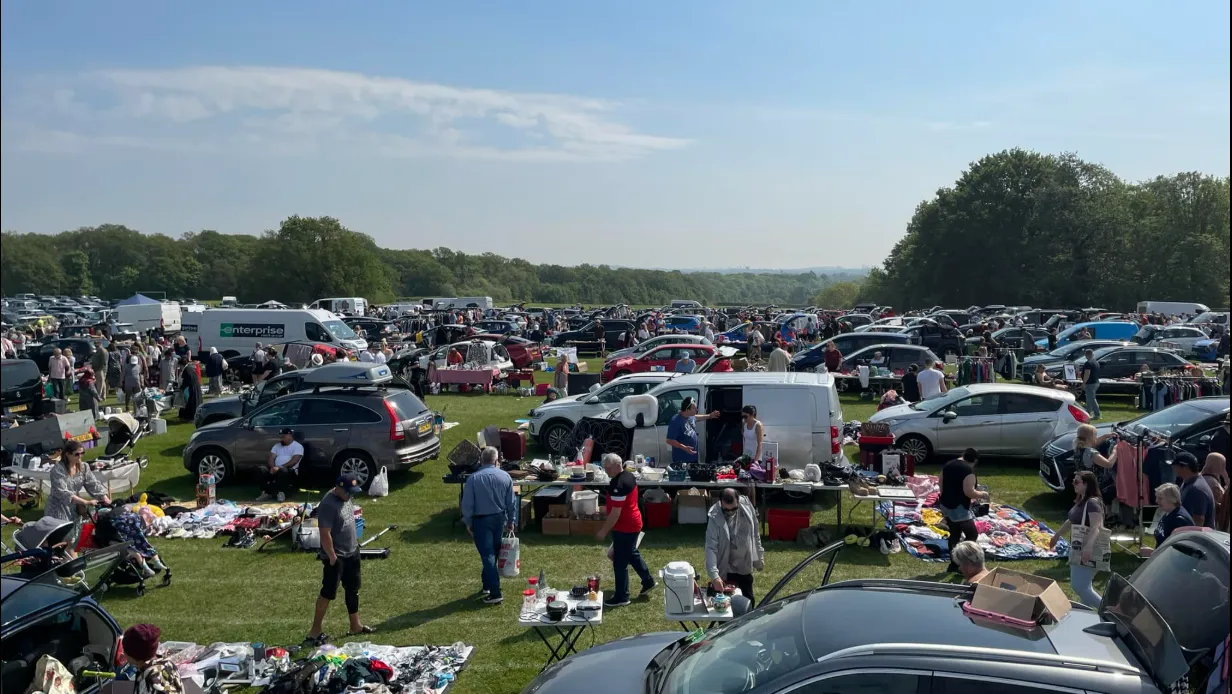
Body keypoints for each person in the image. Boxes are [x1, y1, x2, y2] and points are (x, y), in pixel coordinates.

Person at [306, 475, 372, 644]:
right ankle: (315, 631)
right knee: (327, 593)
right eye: (349, 493)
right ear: (339, 488)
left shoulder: (346, 496)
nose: (351, 496)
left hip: (352, 551)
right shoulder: (328, 504)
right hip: (336, 556)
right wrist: (332, 556)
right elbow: (324, 532)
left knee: (353, 589)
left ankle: (355, 625)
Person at [595, 453, 655, 607]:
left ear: (616, 465)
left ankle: (622, 596)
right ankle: (648, 580)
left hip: (626, 527)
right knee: (631, 553)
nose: (606, 471)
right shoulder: (628, 475)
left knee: (619, 562)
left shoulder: (619, 485)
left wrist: (603, 531)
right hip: (632, 522)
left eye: (608, 468)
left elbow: (616, 513)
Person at [461, 446, 517, 605]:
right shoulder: (505, 476)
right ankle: (487, 585)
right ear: (496, 460)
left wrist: (468, 522)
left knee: (488, 556)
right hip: (499, 519)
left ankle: (495, 592)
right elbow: (511, 502)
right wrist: (511, 521)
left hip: (481, 520)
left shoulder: (473, 478)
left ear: (481, 460)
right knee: (492, 554)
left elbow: (467, 504)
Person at [1049, 470, 1106, 607]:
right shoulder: (1082, 501)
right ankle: (1085, 615)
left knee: (1079, 587)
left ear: (1086, 484)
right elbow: (1070, 520)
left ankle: (1107, 613)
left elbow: (1096, 527)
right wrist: (1057, 536)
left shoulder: (1092, 503)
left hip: (1088, 549)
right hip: (1078, 547)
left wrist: (1088, 547)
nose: (1073, 484)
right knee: (1084, 587)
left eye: (1077, 482)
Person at [704, 488, 765, 608]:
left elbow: (755, 533)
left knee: (748, 605)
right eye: (726, 510)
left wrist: (759, 558)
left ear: (739, 500)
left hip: (744, 565)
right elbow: (711, 547)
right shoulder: (714, 516)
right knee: (725, 607)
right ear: (720, 502)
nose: (730, 512)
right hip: (726, 568)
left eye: (734, 509)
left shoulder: (747, 506)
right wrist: (715, 576)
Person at [46, 439, 111, 548]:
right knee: (63, 541)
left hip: (75, 507)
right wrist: (85, 501)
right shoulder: (58, 470)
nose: (80, 456)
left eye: (82, 453)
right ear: (67, 454)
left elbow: (92, 483)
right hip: (58, 508)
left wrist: (104, 497)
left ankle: (69, 561)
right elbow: (63, 492)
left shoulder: (84, 467)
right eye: (77, 454)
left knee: (74, 540)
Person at [939, 448, 987, 573]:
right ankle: (964, 561)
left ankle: (954, 564)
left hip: (946, 504)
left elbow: (940, 483)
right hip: (959, 507)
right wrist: (982, 494)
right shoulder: (968, 470)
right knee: (972, 534)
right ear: (974, 460)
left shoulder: (949, 464)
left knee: (954, 534)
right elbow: (969, 492)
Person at [123, 624, 185, 694]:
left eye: (125, 650)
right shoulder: (169, 664)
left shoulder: (149, 681)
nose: (123, 653)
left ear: (133, 655)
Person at [1140, 483, 1194, 557]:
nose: (1156, 501)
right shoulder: (1169, 513)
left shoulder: (1179, 520)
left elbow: (1177, 552)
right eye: (1156, 498)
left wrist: (1152, 553)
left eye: (1160, 498)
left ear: (1173, 500)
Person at [665, 396, 721, 467]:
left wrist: (710, 416)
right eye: (694, 408)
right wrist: (685, 448)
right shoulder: (676, 421)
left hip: (693, 458)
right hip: (682, 460)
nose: (696, 410)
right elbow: (669, 440)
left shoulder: (690, 416)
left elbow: (696, 418)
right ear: (687, 410)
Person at [258, 428, 303, 502]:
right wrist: (272, 467)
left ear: (290, 436)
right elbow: (271, 457)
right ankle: (265, 492)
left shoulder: (297, 446)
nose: (281, 439)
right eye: (280, 437)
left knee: (282, 470)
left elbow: (294, 461)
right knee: (261, 469)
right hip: (275, 468)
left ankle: (280, 493)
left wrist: (279, 467)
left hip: (289, 470)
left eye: (283, 437)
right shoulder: (277, 446)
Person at [1172, 452, 1216, 528]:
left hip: (1197, 538)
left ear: (1185, 467)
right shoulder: (1187, 481)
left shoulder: (1196, 489)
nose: (1173, 469)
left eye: (1175, 467)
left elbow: (1198, 521)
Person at [1080, 349, 1101, 420]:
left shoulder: (1088, 363)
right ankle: (1087, 413)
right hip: (1096, 382)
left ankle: (1097, 414)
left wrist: (1083, 383)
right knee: (1089, 399)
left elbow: (1087, 373)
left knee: (1091, 399)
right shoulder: (1096, 362)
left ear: (1086, 355)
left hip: (1090, 383)